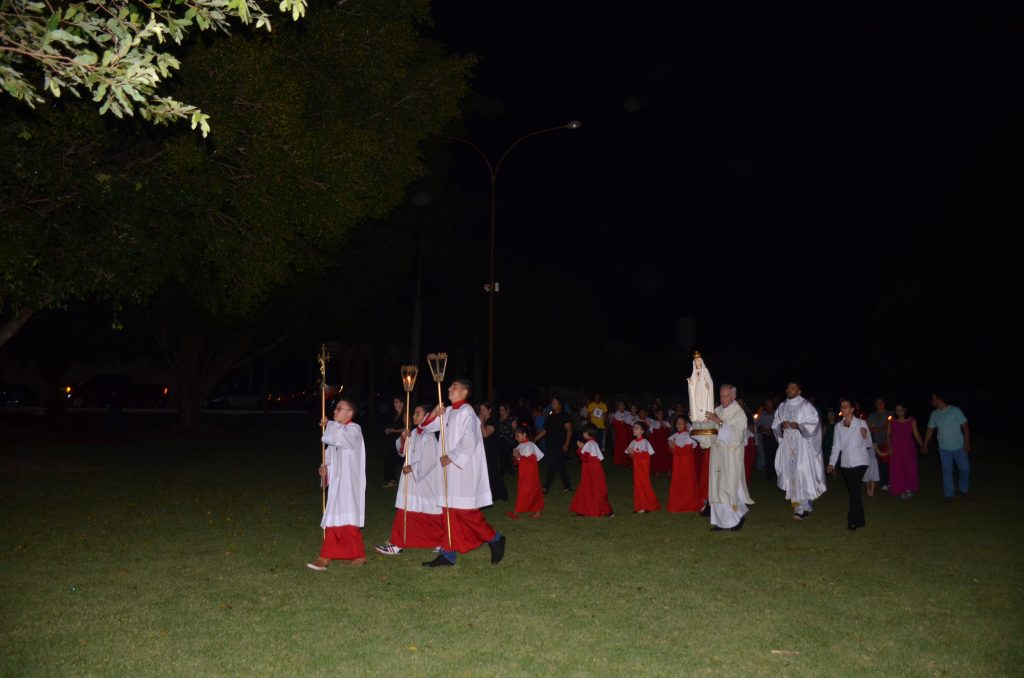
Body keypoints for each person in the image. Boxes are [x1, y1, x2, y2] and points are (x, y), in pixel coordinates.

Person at [420, 379, 506, 567]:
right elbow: (425, 427)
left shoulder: (469, 413)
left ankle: (495, 538)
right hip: (448, 471)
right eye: (450, 386)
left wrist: (450, 457)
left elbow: (470, 441)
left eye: (454, 387)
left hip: (462, 470)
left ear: (465, 392)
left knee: (465, 511)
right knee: (448, 512)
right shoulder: (448, 411)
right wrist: (435, 412)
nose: (450, 388)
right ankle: (448, 554)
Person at [374, 403, 444, 556]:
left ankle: (440, 540)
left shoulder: (429, 436)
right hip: (411, 481)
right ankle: (398, 542)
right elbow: (402, 452)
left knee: (429, 512)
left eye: (417, 413)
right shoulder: (414, 432)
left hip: (424, 480)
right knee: (407, 509)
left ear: (426, 416)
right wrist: (403, 437)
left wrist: (413, 467)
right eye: (414, 413)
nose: (413, 416)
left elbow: (431, 459)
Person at [308, 397, 367, 569]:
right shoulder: (338, 430)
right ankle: (332, 555)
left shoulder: (354, 429)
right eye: (335, 408)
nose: (335, 411)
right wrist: (324, 468)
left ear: (350, 413)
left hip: (349, 483)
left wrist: (330, 425)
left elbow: (344, 440)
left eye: (339, 409)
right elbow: (329, 454)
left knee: (348, 518)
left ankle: (331, 556)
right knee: (334, 517)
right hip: (337, 482)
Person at [772, 382, 826, 520]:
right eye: (788, 388)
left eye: (793, 388)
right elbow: (775, 425)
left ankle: (803, 507)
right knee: (791, 474)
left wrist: (800, 426)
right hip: (787, 447)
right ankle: (799, 507)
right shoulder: (782, 407)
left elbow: (814, 424)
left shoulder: (806, 406)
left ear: (799, 391)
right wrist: (780, 426)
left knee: (802, 473)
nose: (789, 390)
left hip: (802, 447)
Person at [703, 384, 751, 531]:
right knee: (717, 486)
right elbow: (710, 430)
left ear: (733, 396)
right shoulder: (717, 410)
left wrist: (718, 421)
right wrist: (700, 421)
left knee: (729, 486)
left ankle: (736, 518)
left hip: (731, 456)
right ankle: (721, 522)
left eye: (725, 396)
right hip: (717, 454)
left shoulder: (739, 414)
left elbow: (737, 436)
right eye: (721, 395)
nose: (722, 399)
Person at [827, 399, 872, 531]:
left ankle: (852, 521)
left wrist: (865, 435)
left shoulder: (861, 423)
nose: (843, 409)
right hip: (846, 463)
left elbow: (869, 444)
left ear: (852, 409)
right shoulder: (838, 426)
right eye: (842, 407)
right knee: (854, 492)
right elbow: (836, 446)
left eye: (846, 407)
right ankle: (860, 520)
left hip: (860, 462)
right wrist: (831, 463)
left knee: (853, 490)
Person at [923, 392, 971, 502]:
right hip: (944, 448)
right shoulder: (934, 414)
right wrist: (925, 444)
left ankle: (964, 489)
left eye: (933, 399)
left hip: (959, 446)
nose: (932, 401)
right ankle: (949, 494)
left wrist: (967, 443)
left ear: (939, 399)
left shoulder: (955, 410)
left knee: (965, 468)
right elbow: (930, 430)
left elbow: (965, 426)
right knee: (947, 471)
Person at [569, 425, 614, 517]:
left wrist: (580, 448)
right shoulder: (594, 443)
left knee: (588, 488)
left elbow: (585, 458)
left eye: (584, 432)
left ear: (587, 433)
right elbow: (598, 457)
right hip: (595, 469)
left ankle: (585, 511)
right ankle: (604, 511)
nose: (583, 434)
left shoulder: (589, 444)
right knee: (595, 489)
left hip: (590, 470)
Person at [536, 395, 574, 494]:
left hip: (560, 444)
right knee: (560, 465)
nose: (553, 404)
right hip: (551, 444)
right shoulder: (550, 416)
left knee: (553, 464)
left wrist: (566, 444)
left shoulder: (564, 415)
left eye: (555, 402)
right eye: (552, 402)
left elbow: (569, 431)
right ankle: (568, 486)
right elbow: (544, 430)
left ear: (560, 405)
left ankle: (546, 486)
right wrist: (535, 439)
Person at [887, 402, 924, 499]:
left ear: (905, 410)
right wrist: (890, 447)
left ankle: (908, 488)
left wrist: (922, 445)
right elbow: (888, 435)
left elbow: (916, 434)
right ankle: (900, 490)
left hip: (908, 447)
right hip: (896, 448)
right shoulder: (892, 421)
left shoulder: (911, 420)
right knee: (897, 469)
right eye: (897, 410)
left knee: (909, 468)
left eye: (901, 410)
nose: (899, 412)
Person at [506, 425, 544, 519]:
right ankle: (536, 512)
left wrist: (518, 456)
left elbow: (530, 460)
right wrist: (515, 457)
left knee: (527, 491)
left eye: (518, 436)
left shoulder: (530, 445)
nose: (516, 438)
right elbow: (518, 461)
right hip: (524, 474)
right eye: (515, 436)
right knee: (529, 491)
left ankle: (516, 512)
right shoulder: (521, 445)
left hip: (530, 474)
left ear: (524, 434)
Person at [666, 415, 702, 512]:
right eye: (677, 423)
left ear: (686, 424)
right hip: (677, 463)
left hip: (686, 464)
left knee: (687, 482)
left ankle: (688, 502)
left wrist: (674, 447)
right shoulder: (674, 436)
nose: (678, 425)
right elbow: (671, 450)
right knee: (677, 483)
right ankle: (677, 503)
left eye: (681, 423)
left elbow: (687, 450)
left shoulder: (688, 436)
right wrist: (671, 447)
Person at [626, 420, 661, 513]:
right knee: (638, 486)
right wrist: (631, 453)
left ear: (642, 431)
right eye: (633, 427)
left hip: (643, 468)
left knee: (644, 485)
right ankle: (640, 505)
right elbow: (630, 454)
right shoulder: (633, 442)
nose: (634, 429)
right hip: (637, 468)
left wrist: (635, 453)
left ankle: (648, 505)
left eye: (637, 428)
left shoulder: (645, 442)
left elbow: (646, 455)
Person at [479, 402, 508, 502]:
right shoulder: (486, 421)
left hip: (491, 449)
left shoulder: (493, 420)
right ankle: (496, 494)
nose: (482, 412)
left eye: (484, 410)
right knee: (489, 472)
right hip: (484, 449)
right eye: (481, 410)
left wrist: (481, 422)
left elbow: (485, 434)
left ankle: (501, 494)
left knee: (493, 472)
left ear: (489, 410)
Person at [867, 398, 893, 492]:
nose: (880, 404)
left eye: (881, 402)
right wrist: (882, 428)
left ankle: (892, 481)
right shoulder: (873, 415)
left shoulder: (891, 413)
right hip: (879, 441)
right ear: (875, 405)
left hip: (891, 441)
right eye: (877, 403)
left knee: (892, 462)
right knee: (882, 462)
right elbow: (869, 429)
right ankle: (884, 483)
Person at [382, 395, 406, 488]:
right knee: (389, 459)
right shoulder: (395, 415)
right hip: (393, 440)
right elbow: (394, 427)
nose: (395, 404)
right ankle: (391, 480)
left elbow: (406, 428)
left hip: (401, 441)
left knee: (392, 459)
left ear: (402, 403)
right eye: (394, 402)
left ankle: (392, 480)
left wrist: (393, 431)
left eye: (397, 402)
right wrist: (388, 430)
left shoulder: (405, 415)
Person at [758, 399, 779, 481]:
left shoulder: (777, 414)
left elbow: (779, 425)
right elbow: (759, 426)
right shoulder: (763, 414)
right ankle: (769, 475)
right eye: (767, 405)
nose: (769, 407)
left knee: (776, 456)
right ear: (765, 407)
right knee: (767, 456)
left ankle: (776, 474)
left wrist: (772, 430)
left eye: (770, 405)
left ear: (773, 406)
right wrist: (763, 429)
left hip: (775, 438)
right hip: (766, 438)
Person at [497, 403, 519, 478]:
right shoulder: (498, 420)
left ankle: (500, 476)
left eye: (502, 410)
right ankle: (511, 472)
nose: (500, 412)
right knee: (504, 458)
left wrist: (514, 428)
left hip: (509, 441)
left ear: (506, 411)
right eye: (499, 410)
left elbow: (515, 430)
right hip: (500, 441)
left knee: (504, 458)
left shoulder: (512, 419)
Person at [649, 408, 673, 476]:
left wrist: (663, 425)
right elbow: (652, 435)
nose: (660, 415)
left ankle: (668, 470)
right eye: (659, 413)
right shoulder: (654, 423)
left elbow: (669, 433)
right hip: (657, 443)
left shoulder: (666, 423)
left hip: (665, 442)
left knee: (666, 456)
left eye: (661, 413)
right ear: (656, 414)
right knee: (657, 456)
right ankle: (657, 470)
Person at [610, 401, 634, 466]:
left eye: (622, 405)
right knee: (620, 447)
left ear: (624, 406)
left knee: (628, 446)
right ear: (618, 407)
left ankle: (628, 460)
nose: (621, 406)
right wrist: (621, 423)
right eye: (620, 405)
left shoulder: (628, 413)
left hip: (627, 433)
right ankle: (620, 460)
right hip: (619, 434)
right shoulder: (615, 414)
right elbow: (614, 423)